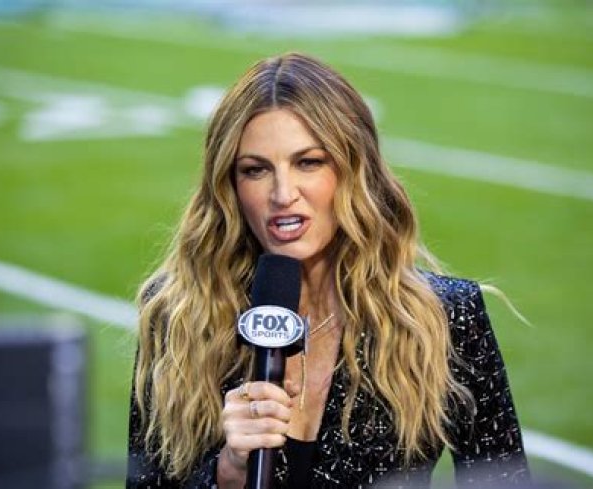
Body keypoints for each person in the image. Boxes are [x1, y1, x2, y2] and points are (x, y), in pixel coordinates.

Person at [126, 52, 531, 488]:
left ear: (354, 169)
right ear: (230, 186)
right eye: (256, 170)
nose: (283, 194)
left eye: (309, 162)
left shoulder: (442, 319)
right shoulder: (180, 316)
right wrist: (226, 473)